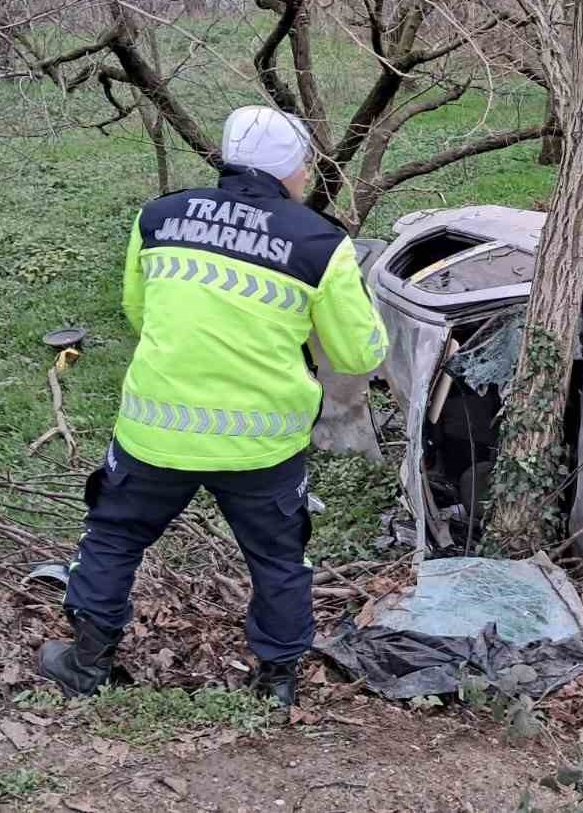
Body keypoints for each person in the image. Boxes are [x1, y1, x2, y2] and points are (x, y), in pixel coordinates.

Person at [38, 106, 388, 706]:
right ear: (292, 170)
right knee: (279, 558)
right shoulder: (320, 242)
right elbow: (360, 353)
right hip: (262, 446)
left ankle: (86, 662)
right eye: (304, 164)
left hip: (154, 431)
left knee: (114, 536)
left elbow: (139, 311)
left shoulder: (159, 216)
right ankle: (276, 683)